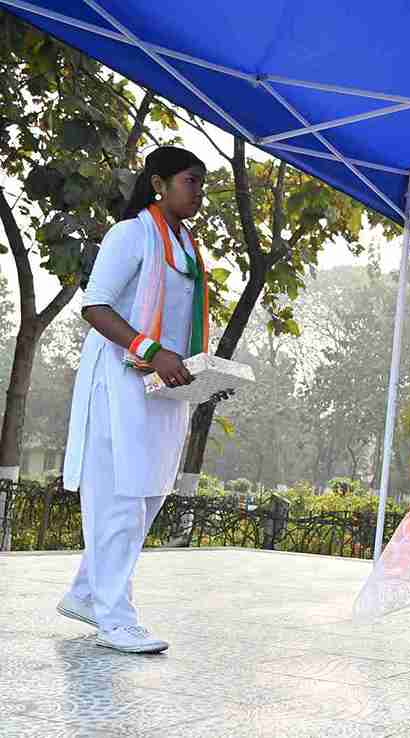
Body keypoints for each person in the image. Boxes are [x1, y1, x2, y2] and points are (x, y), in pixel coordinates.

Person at [55, 146, 212, 654]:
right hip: (120, 379)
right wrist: (150, 350)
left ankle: (87, 592)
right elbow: (95, 305)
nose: (199, 192)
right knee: (119, 493)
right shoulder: (130, 234)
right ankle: (114, 617)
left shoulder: (187, 246)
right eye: (191, 181)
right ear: (159, 184)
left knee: (149, 493)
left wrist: (199, 373)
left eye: (202, 183)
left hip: (164, 386)